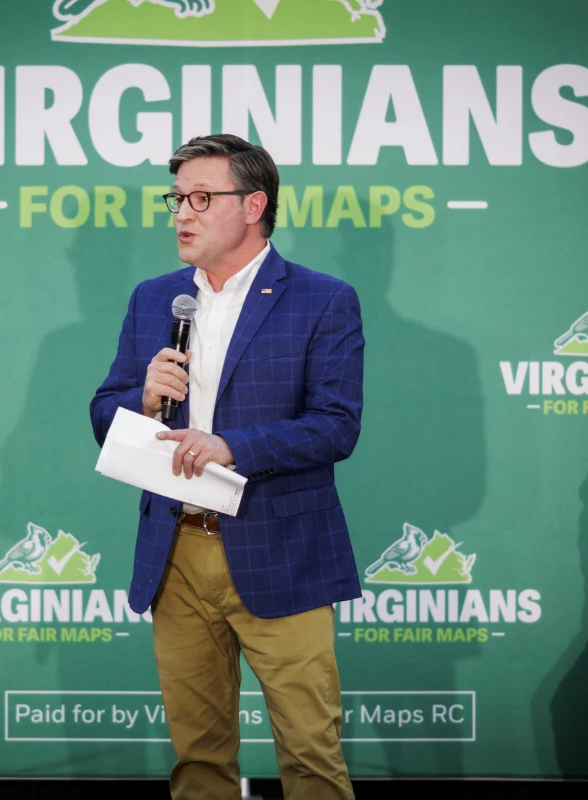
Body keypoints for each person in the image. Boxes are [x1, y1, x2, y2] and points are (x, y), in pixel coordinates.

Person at [91, 134, 364, 799]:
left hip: (282, 550)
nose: (182, 214)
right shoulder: (154, 299)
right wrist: (145, 397)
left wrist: (232, 446)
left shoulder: (321, 299)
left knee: (310, 754)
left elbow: (336, 425)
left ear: (254, 205)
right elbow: (105, 413)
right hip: (176, 550)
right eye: (176, 199)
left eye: (202, 198)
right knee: (199, 760)